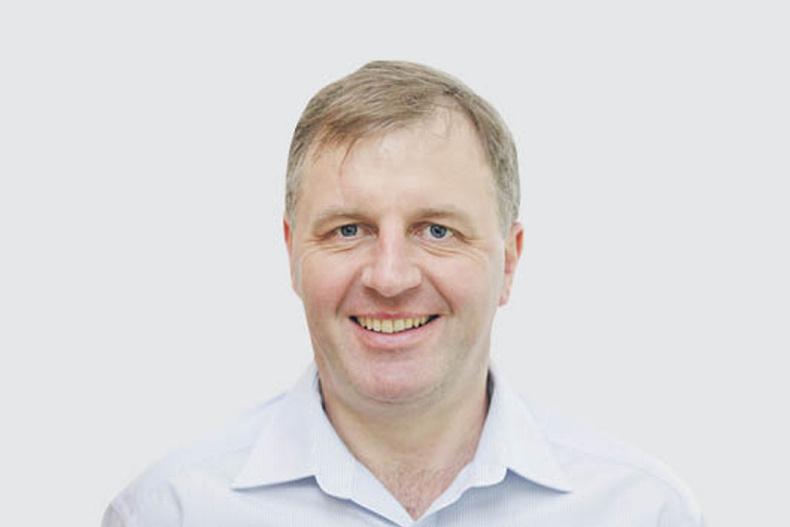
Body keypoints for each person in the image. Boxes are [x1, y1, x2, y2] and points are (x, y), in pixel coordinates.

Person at [102, 60, 703, 526]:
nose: (389, 278)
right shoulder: (170, 512)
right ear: (292, 254)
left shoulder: (640, 511)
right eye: (348, 230)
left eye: (437, 230)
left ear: (509, 261)